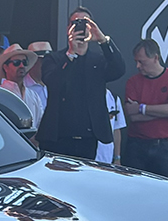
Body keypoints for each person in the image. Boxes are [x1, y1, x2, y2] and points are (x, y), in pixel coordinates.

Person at [31, 9, 126, 159]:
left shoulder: (98, 61)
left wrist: (103, 40)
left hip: (87, 137)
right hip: (57, 136)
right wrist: (71, 54)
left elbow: (119, 70)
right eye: (75, 23)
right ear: (68, 28)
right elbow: (53, 83)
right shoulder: (55, 59)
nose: (80, 28)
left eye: (85, 23)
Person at [122, 38, 168, 176]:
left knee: (161, 190)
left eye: (142, 62)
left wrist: (141, 108)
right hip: (137, 145)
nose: (138, 66)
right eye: (136, 61)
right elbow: (133, 116)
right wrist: (165, 112)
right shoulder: (132, 82)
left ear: (155, 58)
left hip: (164, 146)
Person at [0, 43, 48, 123]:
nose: (21, 66)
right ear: (5, 67)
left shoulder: (33, 95)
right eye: (16, 62)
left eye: (24, 62)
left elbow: (41, 123)